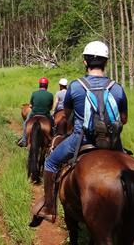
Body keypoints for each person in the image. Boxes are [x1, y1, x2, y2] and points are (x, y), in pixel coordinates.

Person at [30, 41, 128, 226]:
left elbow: (67, 116)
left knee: (50, 162)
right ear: (106, 62)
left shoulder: (75, 86)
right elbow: (123, 119)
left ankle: (50, 209)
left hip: (80, 138)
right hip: (113, 142)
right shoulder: (117, 88)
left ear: (85, 62)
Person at [17, 77, 54, 147]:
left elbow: (30, 106)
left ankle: (24, 140)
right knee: (53, 124)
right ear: (47, 85)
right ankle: (53, 139)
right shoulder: (50, 95)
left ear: (39, 85)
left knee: (25, 123)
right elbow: (51, 107)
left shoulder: (34, 93)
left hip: (34, 113)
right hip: (46, 114)